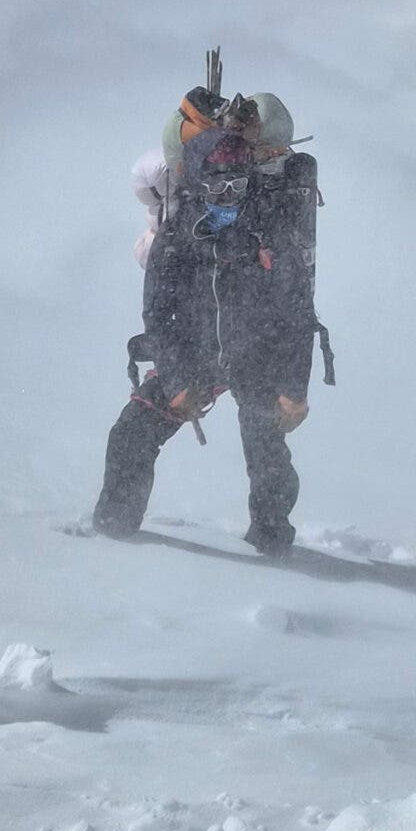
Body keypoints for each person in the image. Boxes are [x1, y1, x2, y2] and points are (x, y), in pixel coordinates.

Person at [93, 75, 323, 554]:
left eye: (236, 182)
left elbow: (296, 305)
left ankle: (273, 548)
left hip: (254, 354)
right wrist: (177, 381)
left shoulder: (268, 228)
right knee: (132, 436)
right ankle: (111, 540)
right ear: (196, 179)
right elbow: (159, 309)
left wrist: (293, 388)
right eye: (217, 182)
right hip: (195, 353)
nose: (228, 192)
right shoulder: (178, 232)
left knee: (267, 451)